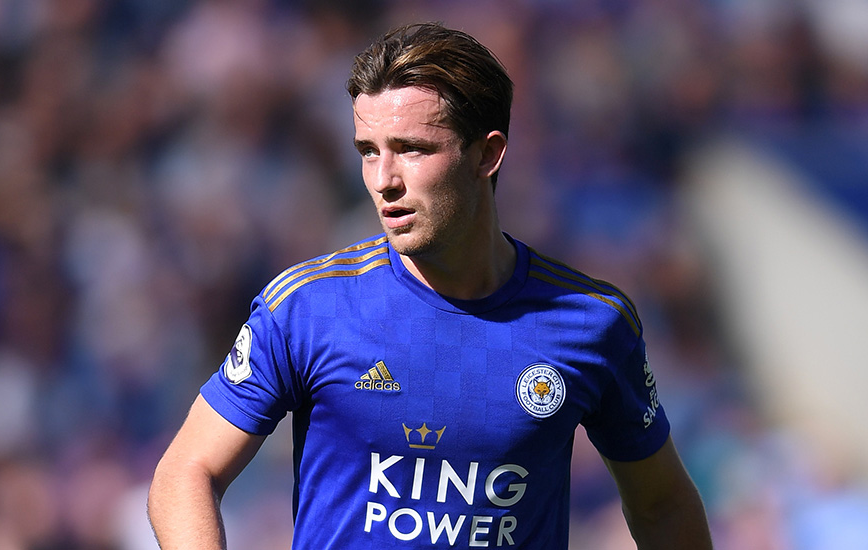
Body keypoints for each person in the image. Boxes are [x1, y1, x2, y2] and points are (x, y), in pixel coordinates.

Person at [148, 22, 712, 550]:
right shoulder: (307, 309)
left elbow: (663, 505)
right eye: (368, 151)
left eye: (412, 150)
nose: (383, 180)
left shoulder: (590, 322)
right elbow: (186, 472)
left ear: (487, 154)